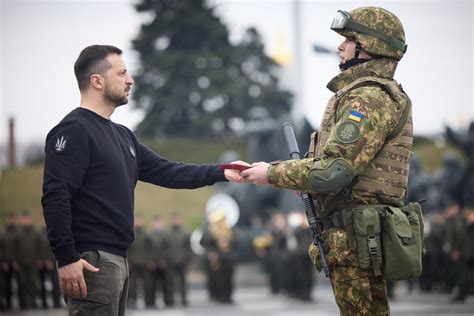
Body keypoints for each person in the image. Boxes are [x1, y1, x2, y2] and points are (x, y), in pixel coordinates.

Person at [41, 44, 246, 316]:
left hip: (118, 262)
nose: (130, 80)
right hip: (92, 261)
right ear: (97, 81)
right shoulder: (74, 131)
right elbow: (55, 195)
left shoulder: (124, 137)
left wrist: (222, 171)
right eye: (122, 73)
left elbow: (170, 171)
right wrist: (66, 257)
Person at [241, 7, 411, 315]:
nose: (340, 46)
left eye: (348, 39)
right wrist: (303, 181)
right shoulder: (360, 95)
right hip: (353, 234)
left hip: (357, 237)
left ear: (370, 47)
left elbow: (334, 170)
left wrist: (272, 173)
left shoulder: (368, 99)